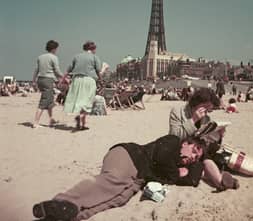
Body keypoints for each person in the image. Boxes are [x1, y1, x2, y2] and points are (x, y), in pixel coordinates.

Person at [32, 135, 232, 221]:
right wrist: (176, 173)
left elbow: (190, 180)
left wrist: (201, 164)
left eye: (196, 157)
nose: (192, 157)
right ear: (186, 142)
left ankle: (68, 215)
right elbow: (165, 161)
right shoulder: (172, 141)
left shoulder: (183, 164)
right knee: (110, 182)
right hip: (129, 156)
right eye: (194, 150)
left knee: (117, 200)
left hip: (138, 178)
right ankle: (63, 201)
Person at [169, 87, 239, 190]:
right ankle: (220, 181)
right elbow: (174, 137)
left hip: (198, 151)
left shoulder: (206, 118)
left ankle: (220, 181)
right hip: (182, 151)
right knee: (203, 159)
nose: (206, 112)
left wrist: (218, 135)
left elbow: (207, 140)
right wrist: (193, 120)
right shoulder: (177, 112)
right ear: (197, 102)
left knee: (205, 155)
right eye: (205, 108)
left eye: (208, 110)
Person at [64, 41, 102, 130]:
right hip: (89, 79)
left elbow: (69, 69)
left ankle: (82, 124)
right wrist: (100, 80)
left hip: (76, 79)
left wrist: (62, 79)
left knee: (79, 100)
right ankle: (81, 118)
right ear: (93, 49)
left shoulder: (76, 56)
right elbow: (98, 70)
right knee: (87, 101)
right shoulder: (94, 57)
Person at [32, 40, 63, 128]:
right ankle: (36, 122)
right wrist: (64, 77)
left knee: (50, 101)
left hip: (40, 79)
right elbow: (57, 71)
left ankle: (51, 120)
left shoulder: (40, 57)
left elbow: (36, 69)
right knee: (44, 101)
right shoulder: (54, 57)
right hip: (48, 79)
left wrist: (33, 80)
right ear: (54, 48)